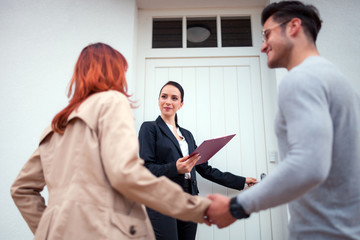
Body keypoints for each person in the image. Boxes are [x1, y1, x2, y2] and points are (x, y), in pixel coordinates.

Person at [10, 43, 212, 240]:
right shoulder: (112, 101)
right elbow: (126, 174)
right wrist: (201, 208)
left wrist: (49, 230)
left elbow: (21, 189)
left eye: (174, 98)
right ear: (114, 72)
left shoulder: (56, 125)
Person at [205, 1, 360, 239]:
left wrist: (235, 207)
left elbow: (308, 164)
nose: (263, 46)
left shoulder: (300, 78)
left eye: (267, 35)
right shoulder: (337, 80)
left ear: (293, 27)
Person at [138, 81, 257, 240]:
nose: (168, 101)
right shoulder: (149, 128)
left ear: (181, 104)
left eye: (174, 98)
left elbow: (205, 170)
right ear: (158, 100)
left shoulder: (187, 135)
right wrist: (175, 168)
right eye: (164, 96)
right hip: (162, 197)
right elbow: (146, 169)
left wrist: (241, 181)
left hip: (189, 197)